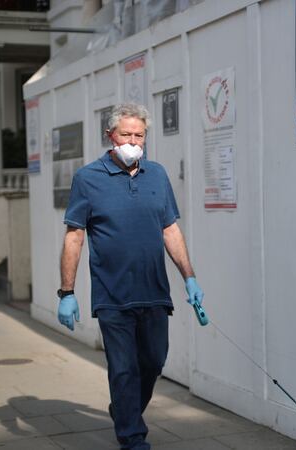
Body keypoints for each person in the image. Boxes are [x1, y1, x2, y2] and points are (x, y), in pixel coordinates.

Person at [57, 103, 204, 450]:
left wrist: (189, 277)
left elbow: (170, 228)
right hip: (112, 295)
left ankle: (125, 410)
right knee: (123, 369)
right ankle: (132, 438)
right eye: (126, 134)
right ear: (110, 135)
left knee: (153, 362)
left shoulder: (157, 175)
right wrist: (66, 292)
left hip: (154, 292)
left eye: (140, 135)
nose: (133, 141)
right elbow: (74, 236)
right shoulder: (88, 178)